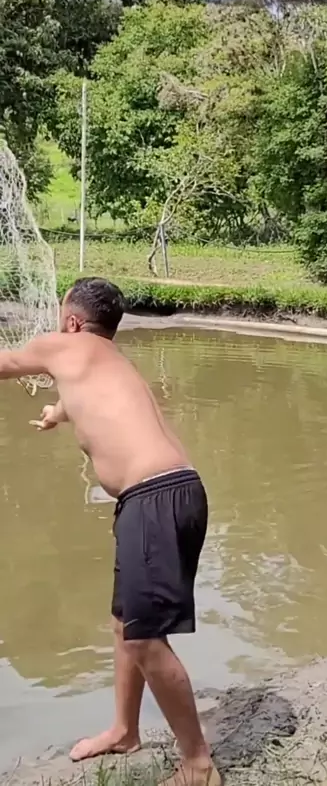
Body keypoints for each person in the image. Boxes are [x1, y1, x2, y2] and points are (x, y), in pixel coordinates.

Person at [0, 277, 220, 786]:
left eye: (61, 318)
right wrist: (57, 413)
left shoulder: (65, 346)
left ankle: (199, 765)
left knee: (145, 639)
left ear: (73, 322)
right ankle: (124, 730)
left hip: (153, 497)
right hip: (175, 493)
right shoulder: (111, 361)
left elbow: (6, 364)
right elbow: (87, 402)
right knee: (126, 625)